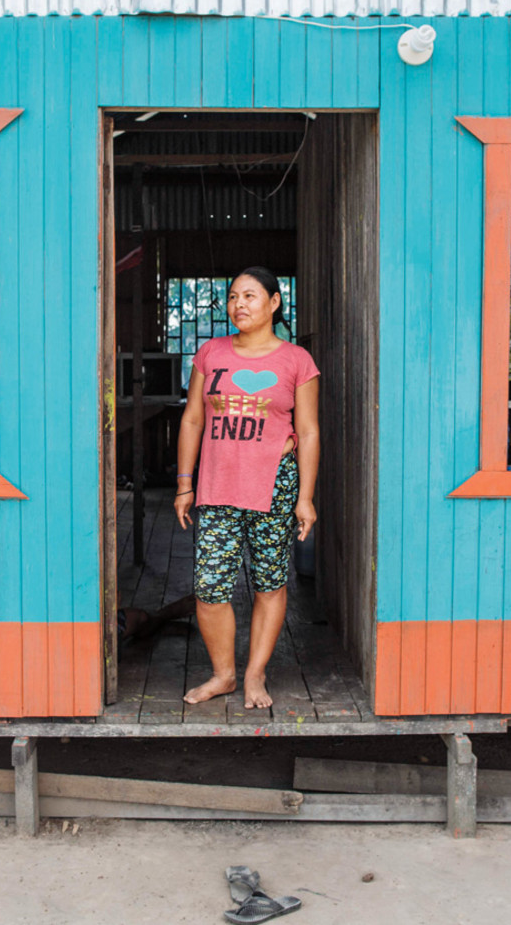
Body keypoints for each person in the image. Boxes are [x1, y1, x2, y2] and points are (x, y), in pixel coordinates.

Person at [174, 267, 320, 709]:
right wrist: (184, 484)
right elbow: (193, 419)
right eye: (234, 296)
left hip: (274, 486)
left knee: (270, 584)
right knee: (210, 587)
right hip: (218, 486)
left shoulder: (296, 360)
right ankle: (224, 675)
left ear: (274, 303)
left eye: (251, 296)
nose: (239, 304)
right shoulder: (211, 353)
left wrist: (306, 498)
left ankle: (254, 675)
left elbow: (309, 432)